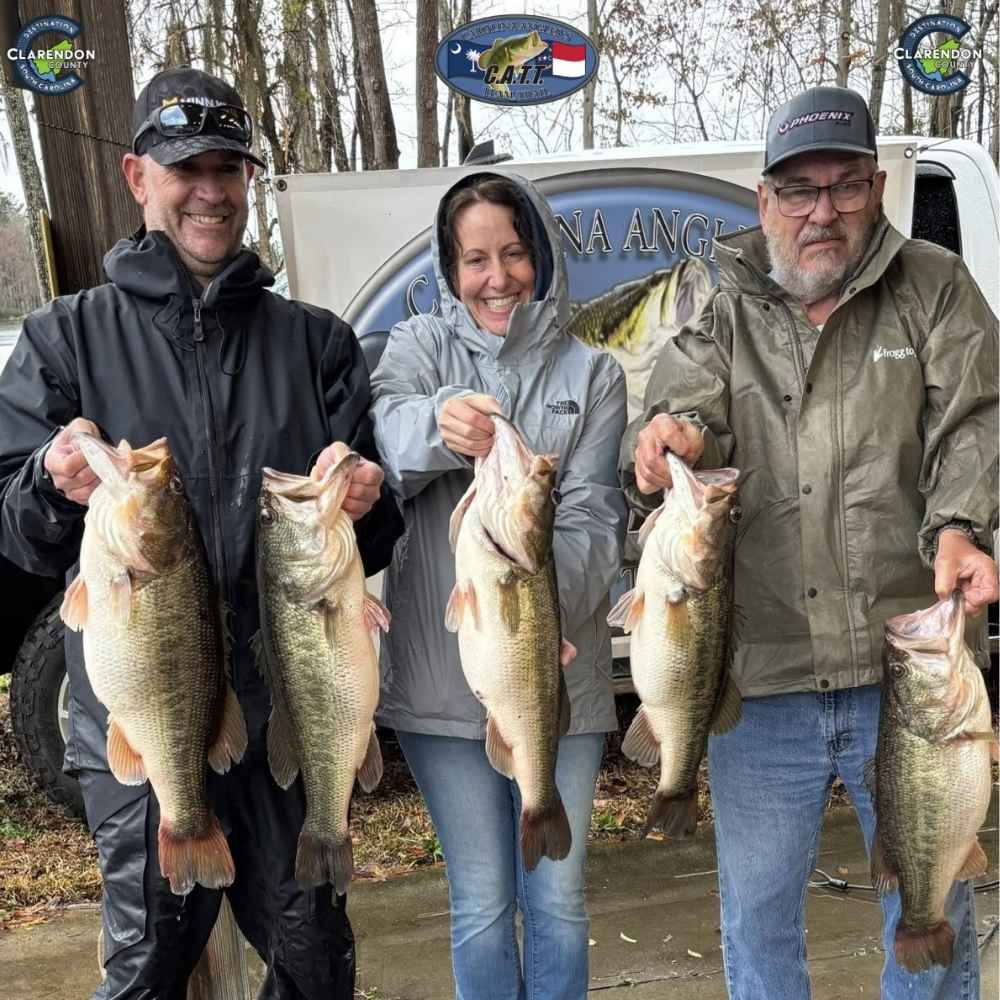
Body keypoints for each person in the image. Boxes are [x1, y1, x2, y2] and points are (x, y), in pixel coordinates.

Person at [0, 66, 402, 1000]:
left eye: (229, 168)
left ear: (250, 180)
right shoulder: (65, 338)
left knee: (312, 960)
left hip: (282, 716)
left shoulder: (318, 343)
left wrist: (368, 503)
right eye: (187, 169)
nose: (210, 191)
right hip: (139, 716)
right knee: (147, 964)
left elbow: (374, 544)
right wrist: (51, 486)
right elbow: (12, 531)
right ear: (139, 177)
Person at [620, 86, 998, 1000]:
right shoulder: (721, 298)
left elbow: (974, 423)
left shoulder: (936, 288)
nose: (821, 211)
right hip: (761, 678)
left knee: (935, 903)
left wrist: (959, 525)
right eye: (798, 189)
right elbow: (689, 405)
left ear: (876, 188)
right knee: (756, 925)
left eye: (843, 186)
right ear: (764, 199)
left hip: (908, 671)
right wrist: (676, 435)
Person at [370, 172, 627, 1000]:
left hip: (560, 680)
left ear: (541, 256)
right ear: (450, 271)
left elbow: (594, 522)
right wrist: (439, 426)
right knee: (480, 903)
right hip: (443, 694)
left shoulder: (593, 375)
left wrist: (537, 601)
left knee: (557, 899)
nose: (498, 278)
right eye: (475, 259)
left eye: (514, 253)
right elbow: (384, 450)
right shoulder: (413, 352)